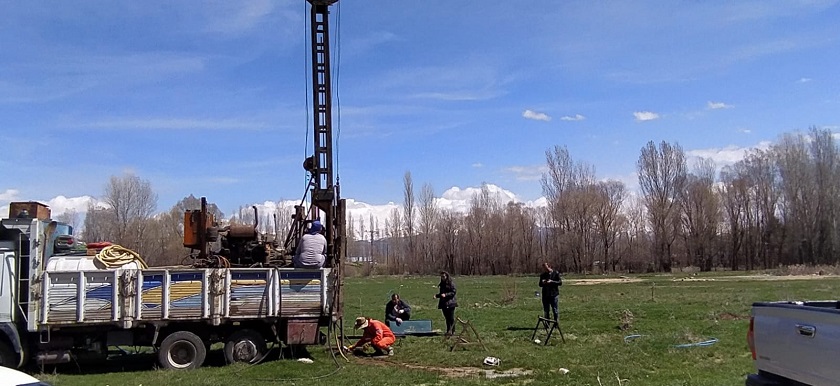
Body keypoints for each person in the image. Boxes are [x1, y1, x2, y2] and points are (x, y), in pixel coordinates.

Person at [434, 271, 458, 336]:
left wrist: (446, 295)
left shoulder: (451, 283)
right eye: (441, 277)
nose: (442, 278)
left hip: (450, 303)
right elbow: (442, 294)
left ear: (447, 276)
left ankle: (453, 331)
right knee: (446, 318)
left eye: (444, 276)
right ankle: (448, 331)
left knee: (451, 318)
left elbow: (453, 292)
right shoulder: (442, 284)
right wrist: (437, 296)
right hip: (444, 303)